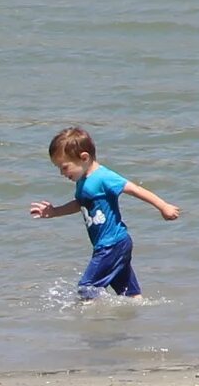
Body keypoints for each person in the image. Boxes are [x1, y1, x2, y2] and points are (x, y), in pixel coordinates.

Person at [29, 125, 179, 300]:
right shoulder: (82, 180)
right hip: (108, 245)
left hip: (112, 244)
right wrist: (55, 212)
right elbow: (80, 204)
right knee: (130, 295)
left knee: (86, 288)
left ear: (84, 158)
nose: (61, 173)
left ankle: (89, 324)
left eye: (64, 167)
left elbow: (135, 189)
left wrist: (163, 206)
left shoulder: (104, 177)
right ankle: (136, 321)